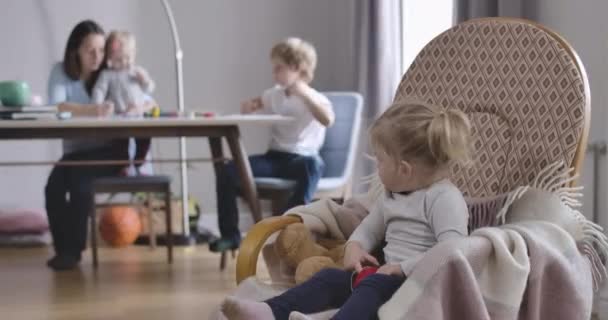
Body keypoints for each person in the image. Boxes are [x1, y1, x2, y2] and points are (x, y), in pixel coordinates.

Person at [220, 100, 472, 320]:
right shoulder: (393, 196)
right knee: (330, 278)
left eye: (380, 160)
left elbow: (453, 250)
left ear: (404, 170)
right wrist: (354, 246)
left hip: (420, 285)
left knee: (371, 288)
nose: (377, 166)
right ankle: (269, 312)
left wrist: (401, 267)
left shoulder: (443, 198)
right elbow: (369, 229)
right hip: (384, 277)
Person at [210, 38, 335, 253]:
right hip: (274, 158)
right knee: (227, 171)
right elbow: (253, 104)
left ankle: (287, 229)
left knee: (314, 165)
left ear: (297, 68)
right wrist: (249, 106)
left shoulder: (316, 98)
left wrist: (303, 94)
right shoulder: (273, 95)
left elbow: (327, 119)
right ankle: (231, 236)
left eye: (279, 68)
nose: (274, 73)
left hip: (301, 159)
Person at [45, 20, 145, 271]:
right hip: (76, 153)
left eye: (101, 50)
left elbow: (146, 98)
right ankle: (63, 249)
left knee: (79, 185)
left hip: (111, 151)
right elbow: (57, 106)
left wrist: (137, 105)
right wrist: (94, 110)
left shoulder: (111, 71)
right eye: (90, 50)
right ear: (75, 50)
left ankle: (74, 251)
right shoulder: (61, 72)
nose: (97, 57)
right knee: (53, 188)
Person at [92, 30, 155, 171]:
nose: (124, 63)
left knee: (145, 137)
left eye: (128, 58)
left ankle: (140, 159)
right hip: (119, 115)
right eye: (119, 60)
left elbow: (149, 88)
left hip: (138, 114)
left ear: (134, 55)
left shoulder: (136, 72)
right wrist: (98, 105)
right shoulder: (107, 75)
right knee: (119, 141)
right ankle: (123, 163)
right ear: (109, 59)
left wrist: (144, 80)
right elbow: (99, 90)